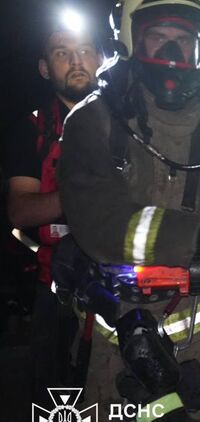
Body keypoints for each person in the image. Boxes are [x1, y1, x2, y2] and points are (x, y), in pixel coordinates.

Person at [57, 0, 200, 420]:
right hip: (122, 335)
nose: (171, 53)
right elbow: (101, 221)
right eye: (158, 38)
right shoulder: (94, 121)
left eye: (184, 40)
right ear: (132, 40)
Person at [2, 12, 102, 404]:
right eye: (62, 53)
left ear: (100, 59)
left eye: (85, 51)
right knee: (58, 404)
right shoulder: (31, 128)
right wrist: (86, 193)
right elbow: (20, 211)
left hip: (128, 287)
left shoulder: (131, 123)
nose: (76, 61)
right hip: (58, 292)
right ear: (45, 68)